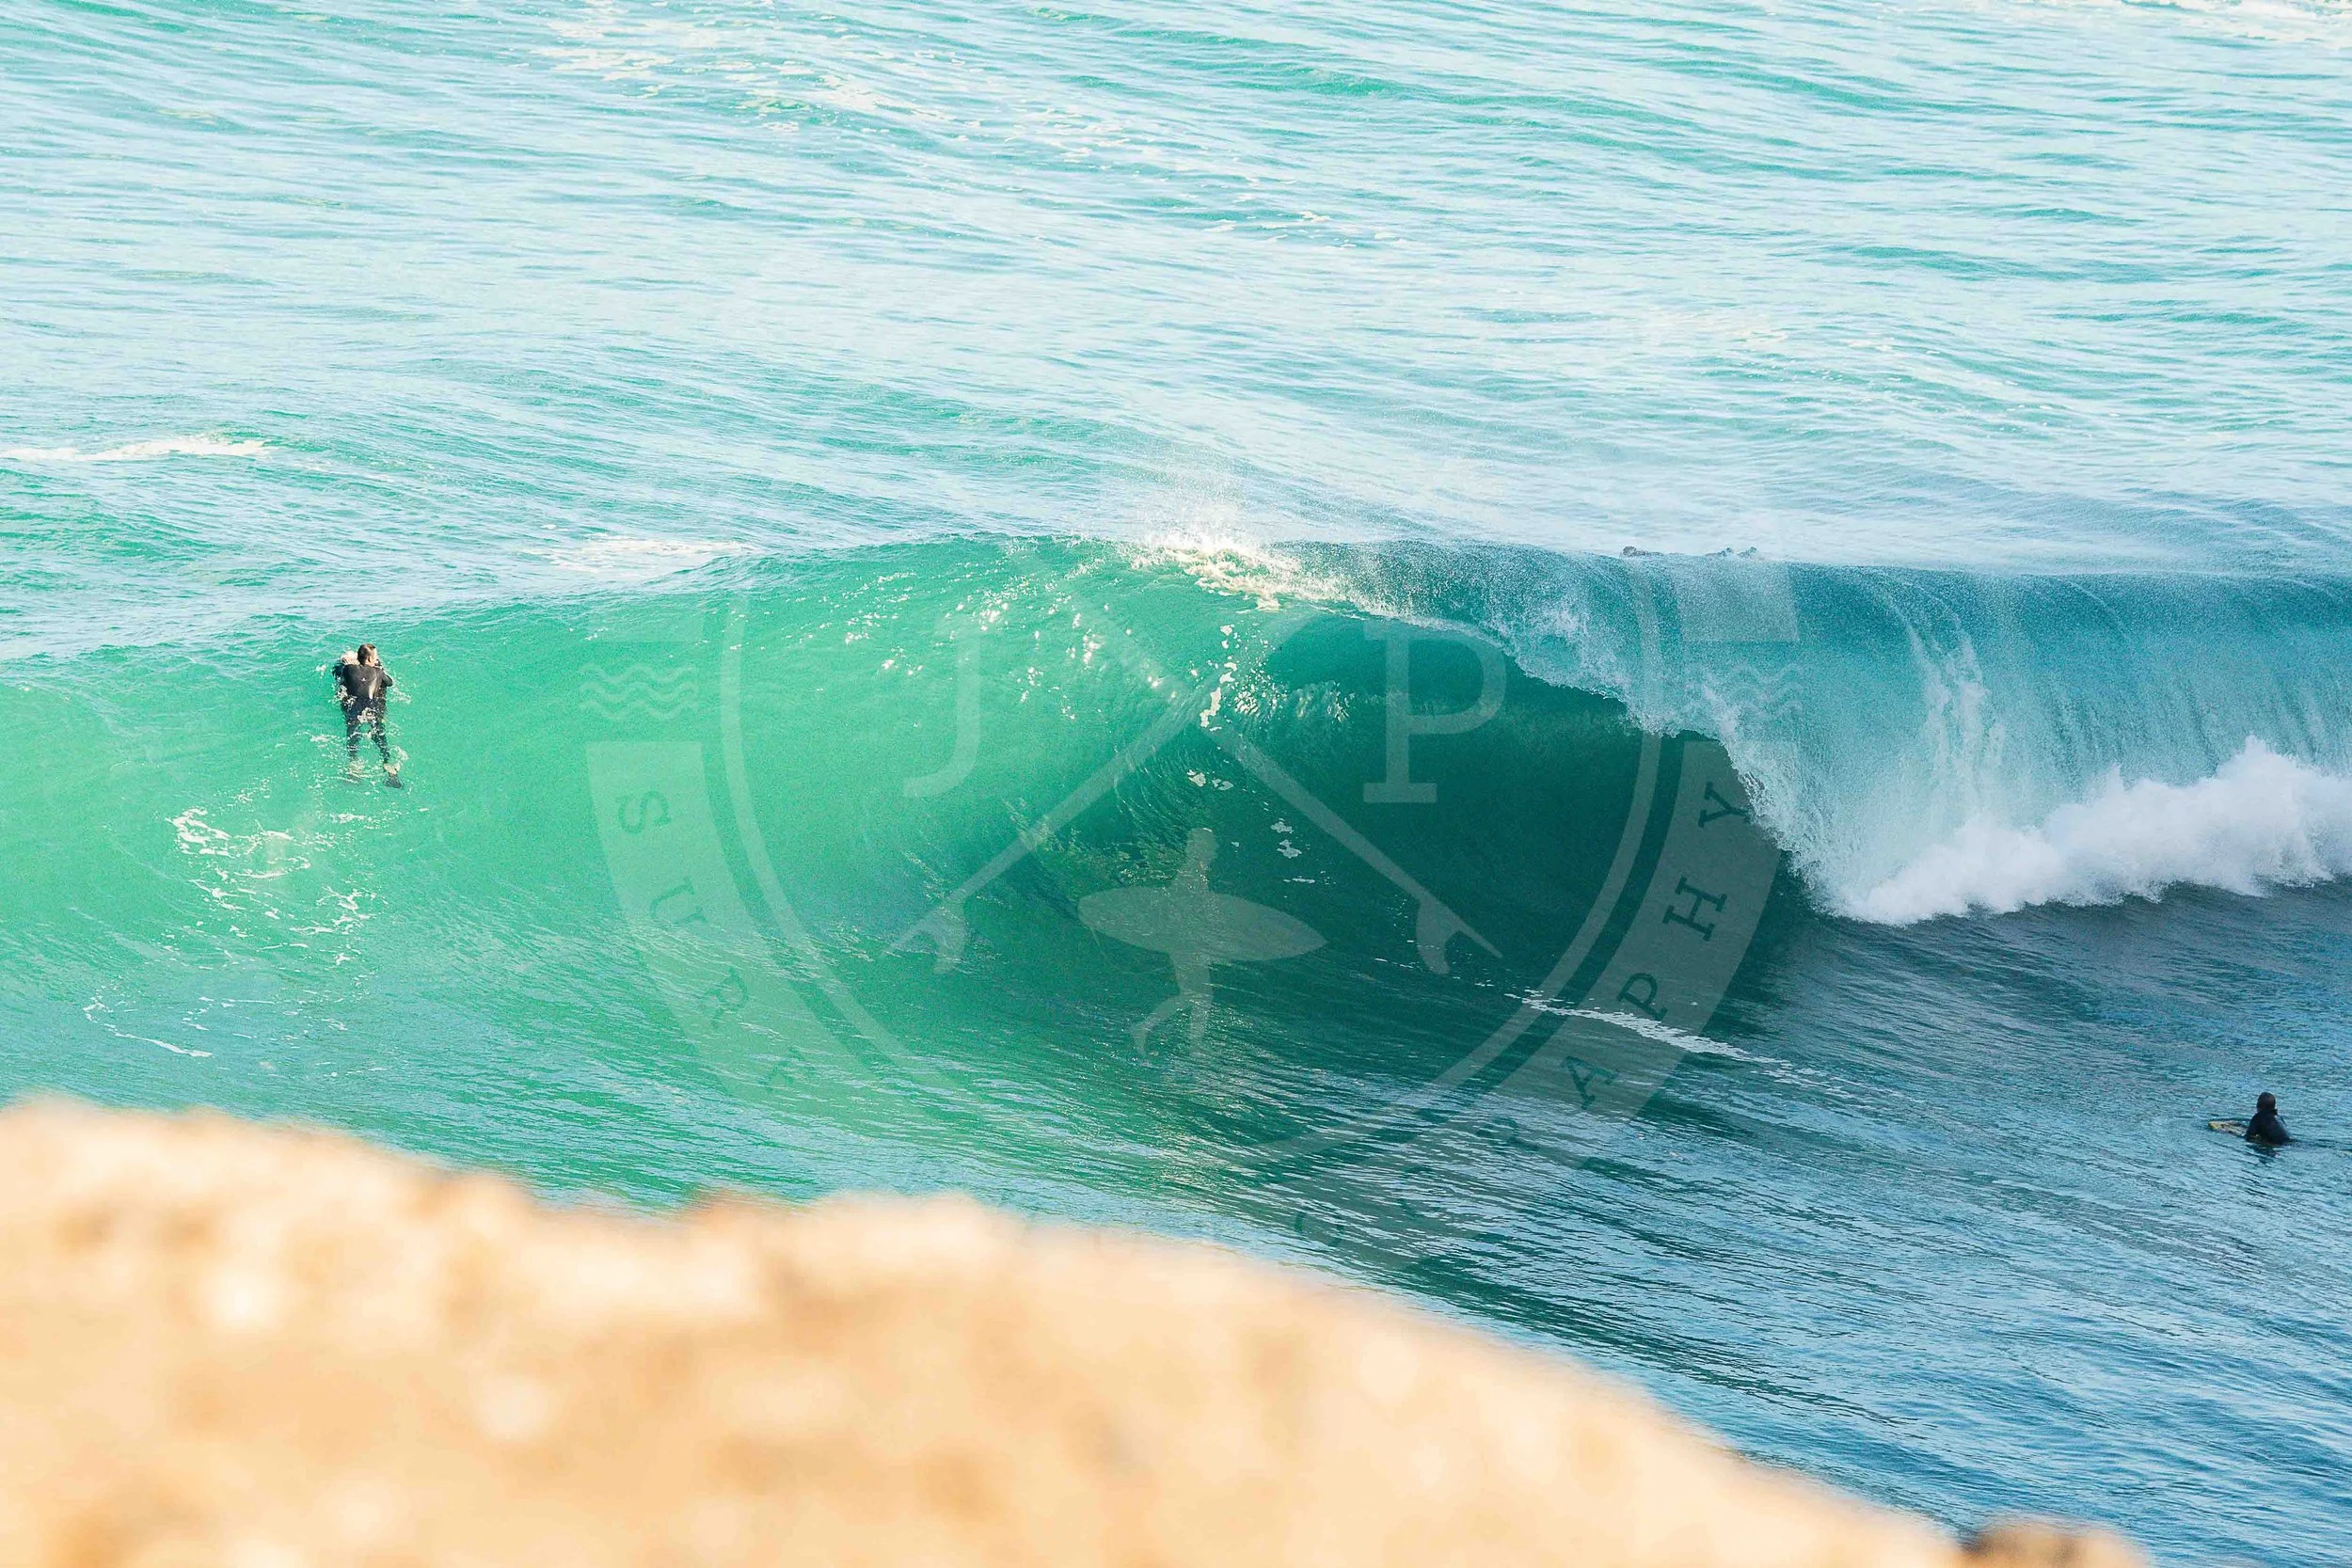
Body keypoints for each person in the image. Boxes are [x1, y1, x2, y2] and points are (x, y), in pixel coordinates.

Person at [332, 643, 400, 784]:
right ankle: (389, 767)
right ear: (370, 659)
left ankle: (354, 766)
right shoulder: (378, 672)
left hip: (354, 707)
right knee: (380, 735)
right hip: (372, 707)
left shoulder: (349, 669)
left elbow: (339, 671)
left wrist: (346, 661)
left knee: (352, 734)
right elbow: (390, 682)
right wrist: (379, 670)